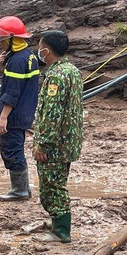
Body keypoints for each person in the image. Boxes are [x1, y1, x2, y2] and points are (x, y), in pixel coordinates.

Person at [32, 30, 84, 243]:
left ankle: (61, 231)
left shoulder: (55, 76)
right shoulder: (72, 70)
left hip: (54, 144)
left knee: (52, 187)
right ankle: (58, 224)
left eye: (40, 47)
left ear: (47, 50)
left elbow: (53, 114)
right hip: (68, 141)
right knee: (57, 182)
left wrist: (43, 144)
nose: (38, 51)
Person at [0, 15, 41, 202]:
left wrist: (3, 118)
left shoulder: (17, 61)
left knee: (11, 149)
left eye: (3, 40)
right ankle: (23, 188)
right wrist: (4, 65)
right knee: (16, 147)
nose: (0, 44)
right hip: (24, 113)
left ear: (12, 40)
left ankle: (19, 191)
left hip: (14, 115)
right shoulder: (28, 56)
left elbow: (12, 92)